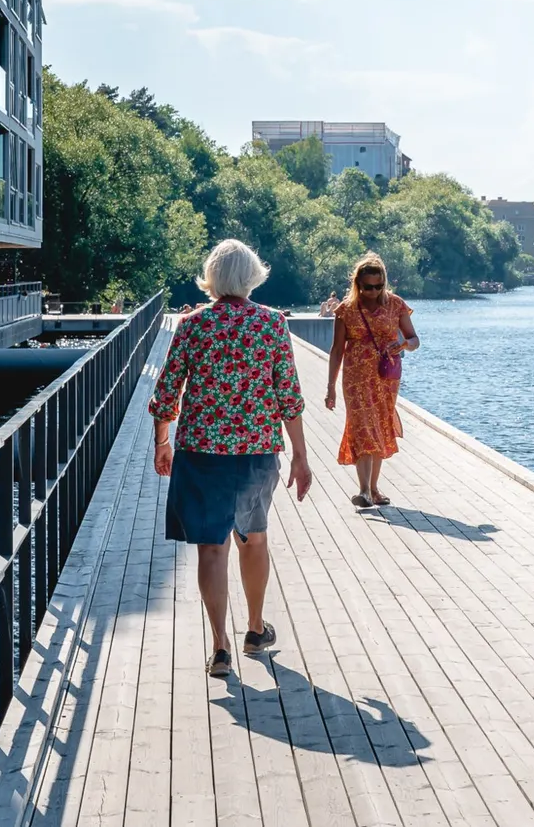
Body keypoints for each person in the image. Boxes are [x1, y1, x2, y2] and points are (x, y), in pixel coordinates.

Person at [149, 239, 312, 679]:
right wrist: (300, 455)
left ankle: (220, 646)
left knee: (211, 548)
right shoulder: (273, 325)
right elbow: (288, 398)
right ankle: (255, 629)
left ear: (212, 277)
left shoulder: (191, 326)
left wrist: (162, 441)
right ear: (252, 276)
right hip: (257, 452)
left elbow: (167, 393)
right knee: (254, 538)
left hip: (202, 452)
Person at [326, 253, 419, 507]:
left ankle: (374, 489)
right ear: (358, 284)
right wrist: (330, 387)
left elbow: (414, 340)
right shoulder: (345, 310)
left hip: (385, 377)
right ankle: (365, 490)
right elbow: (336, 350)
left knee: (378, 426)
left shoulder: (396, 305)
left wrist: (403, 345)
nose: (374, 291)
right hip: (355, 378)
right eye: (368, 287)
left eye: (379, 286)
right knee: (362, 427)